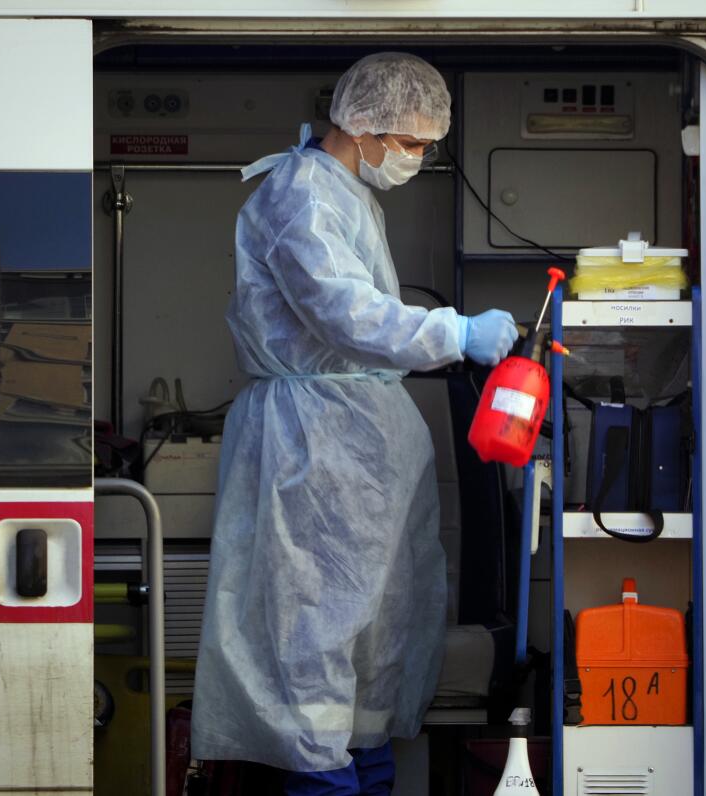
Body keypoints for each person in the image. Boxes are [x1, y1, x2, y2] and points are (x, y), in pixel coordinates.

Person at [191, 52, 519, 795]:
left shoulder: (346, 195)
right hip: (317, 447)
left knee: (371, 644)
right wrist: (453, 333)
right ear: (363, 124)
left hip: (357, 443)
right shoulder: (300, 194)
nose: (417, 157)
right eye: (411, 142)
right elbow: (344, 312)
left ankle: (363, 770)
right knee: (315, 637)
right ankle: (326, 780)